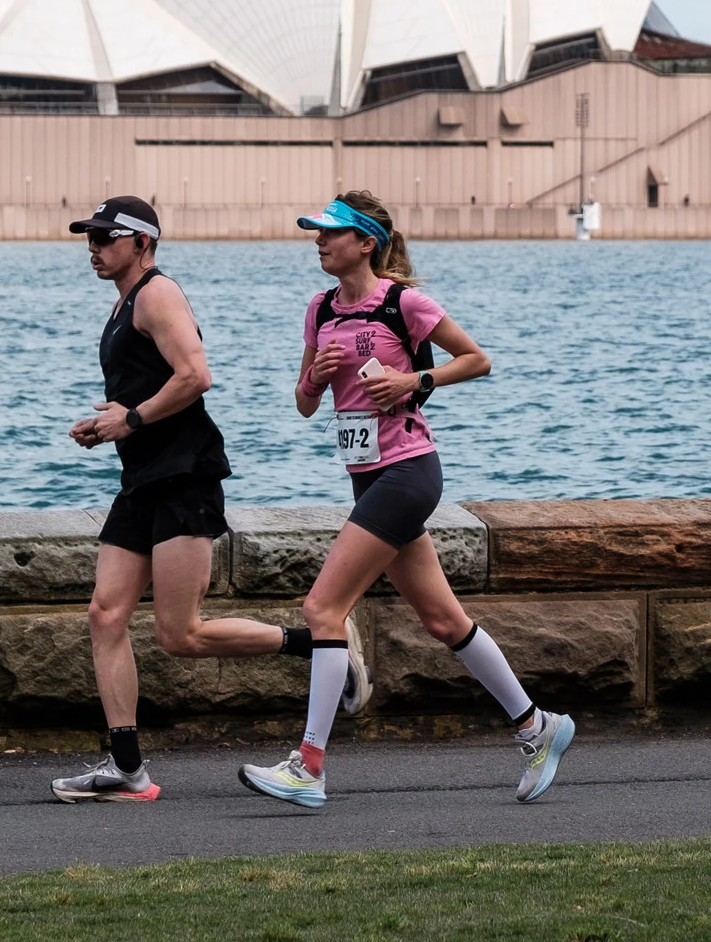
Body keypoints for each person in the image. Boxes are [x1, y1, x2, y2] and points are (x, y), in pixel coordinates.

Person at [239, 191, 573, 810]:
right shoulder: (320, 310)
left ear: (366, 243)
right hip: (368, 478)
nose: (318, 241)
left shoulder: (403, 303)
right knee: (444, 621)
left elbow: (477, 359)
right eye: (315, 232)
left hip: (410, 472)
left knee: (321, 609)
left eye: (330, 234)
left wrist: (410, 379)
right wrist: (316, 375)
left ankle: (308, 767)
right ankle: (537, 726)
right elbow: (305, 402)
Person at [48, 195, 363, 801]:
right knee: (104, 615)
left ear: (143, 243)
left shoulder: (159, 293)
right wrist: (110, 425)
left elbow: (196, 376)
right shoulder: (123, 304)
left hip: (185, 478)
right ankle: (126, 769)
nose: (93, 248)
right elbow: (149, 391)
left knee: (181, 634)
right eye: (88, 238)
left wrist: (131, 420)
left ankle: (323, 651)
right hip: (141, 480)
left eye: (106, 237)